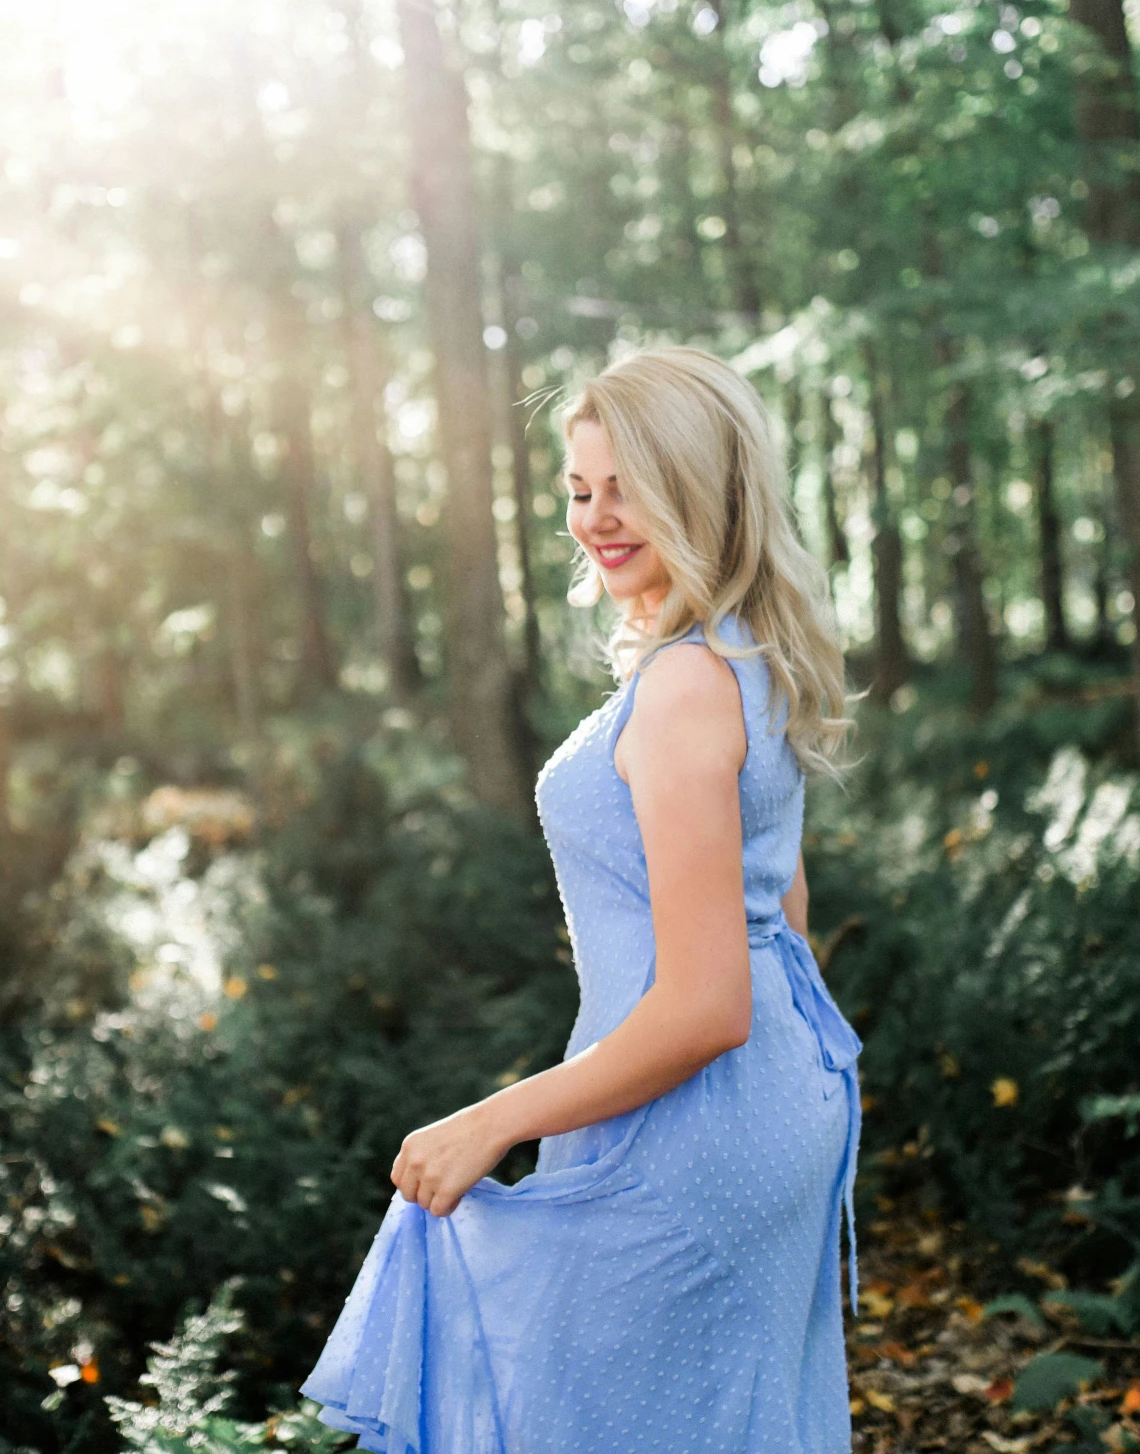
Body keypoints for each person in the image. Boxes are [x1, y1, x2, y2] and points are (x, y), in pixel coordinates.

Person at [300, 345, 862, 1452]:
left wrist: (491, 1120)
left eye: (628, 488)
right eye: (579, 490)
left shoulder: (690, 685)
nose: (597, 519)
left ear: (699, 489)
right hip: (759, 1102)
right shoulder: (741, 653)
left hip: (692, 1129)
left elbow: (709, 1005)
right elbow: (780, 903)